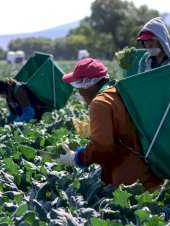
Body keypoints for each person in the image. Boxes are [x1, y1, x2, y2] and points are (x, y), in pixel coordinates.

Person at [57, 58, 162, 192]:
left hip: (129, 183)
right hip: (151, 175)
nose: (79, 91)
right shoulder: (120, 91)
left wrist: (77, 157)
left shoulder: (100, 103)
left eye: (79, 86)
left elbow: (103, 146)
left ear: (89, 84)